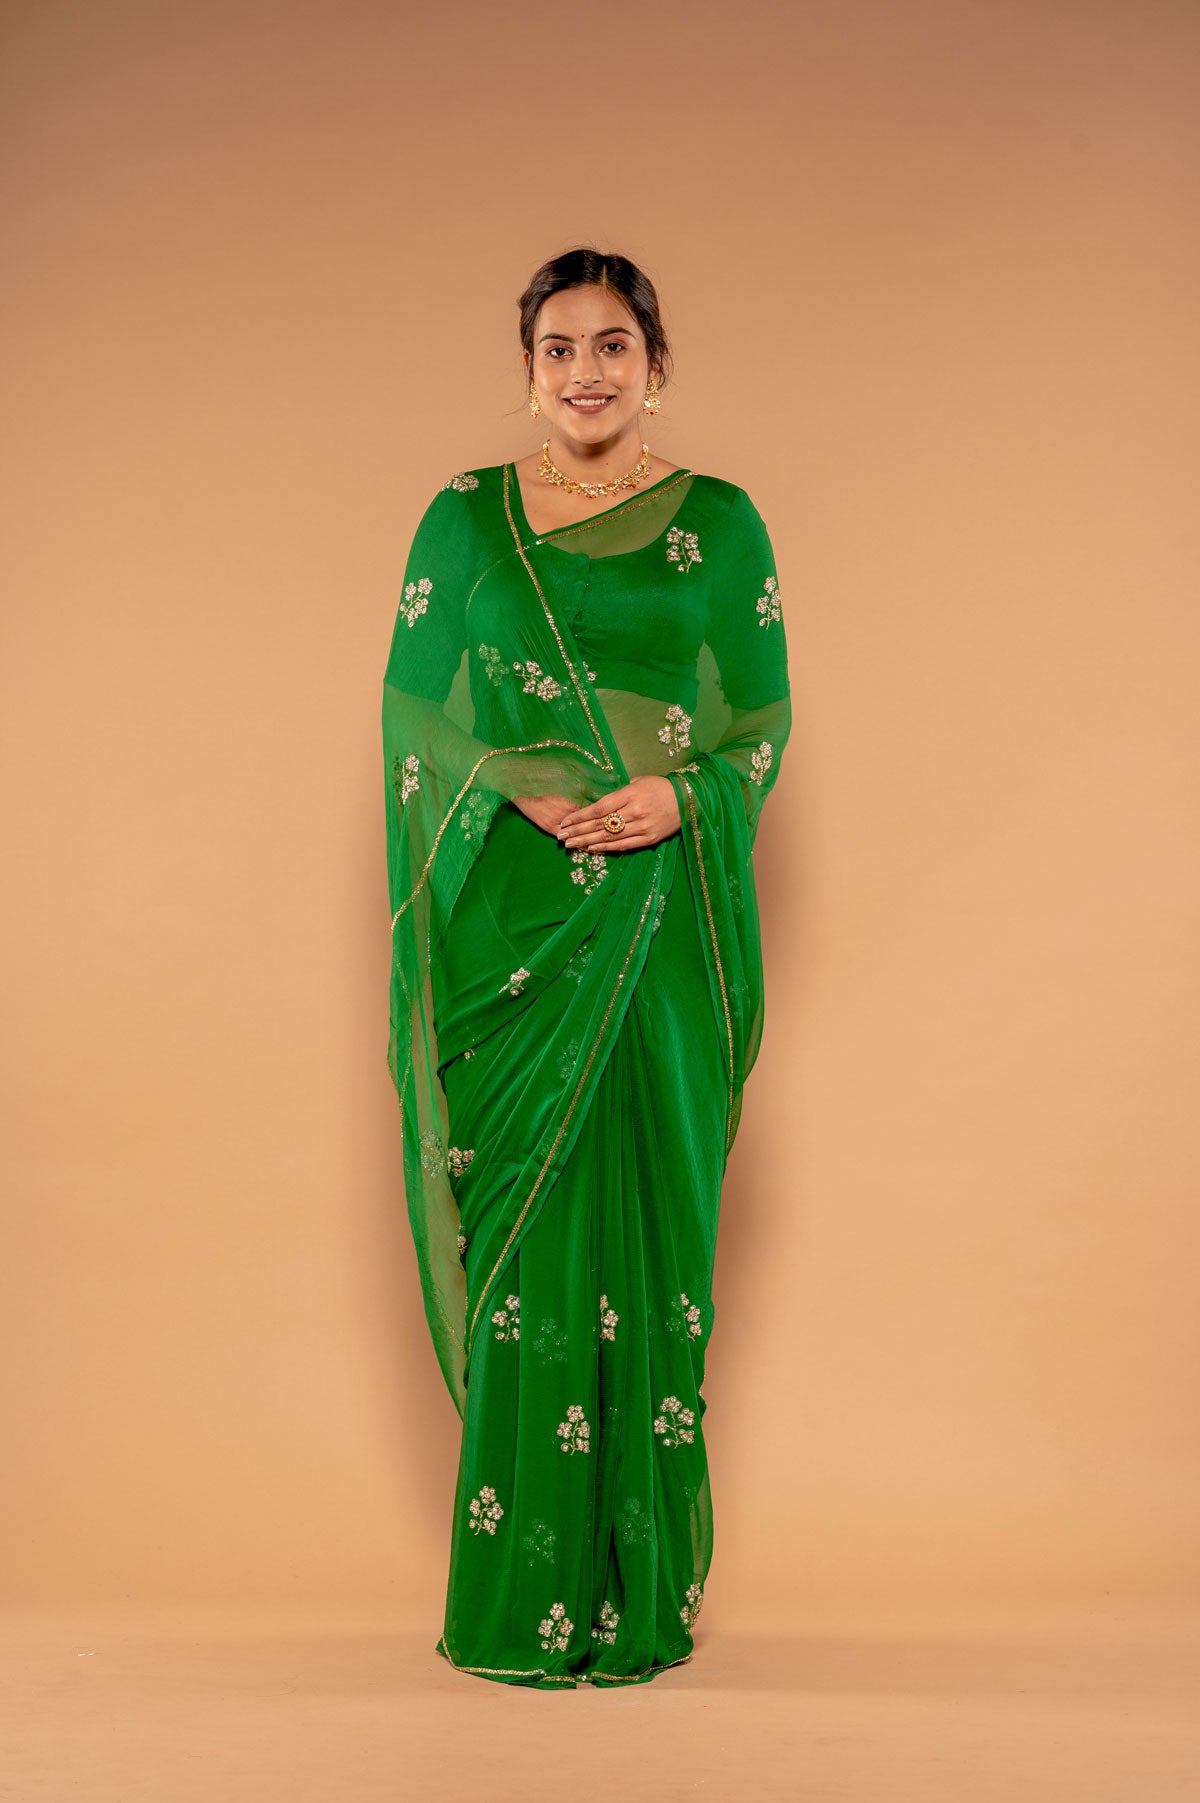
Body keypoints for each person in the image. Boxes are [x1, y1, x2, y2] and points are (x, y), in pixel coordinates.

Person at [381, 247, 791, 1687]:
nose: (586, 372)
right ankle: (525, 1595)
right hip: (516, 932)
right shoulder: (465, 520)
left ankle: (638, 1594)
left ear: (654, 366)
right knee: (525, 1245)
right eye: (559, 349)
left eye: (613, 345)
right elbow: (414, 718)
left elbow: (761, 724)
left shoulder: (724, 524)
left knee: (654, 1241)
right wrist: (517, 780)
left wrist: (687, 799)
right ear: (529, 371)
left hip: (661, 925)